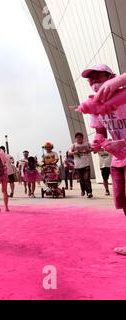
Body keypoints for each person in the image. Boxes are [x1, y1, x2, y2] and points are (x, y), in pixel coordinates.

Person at [82, 64, 126, 254]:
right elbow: (100, 131)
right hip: (118, 159)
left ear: (111, 76)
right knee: (123, 201)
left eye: (98, 76)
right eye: (90, 79)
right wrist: (97, 141)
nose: (94, 81)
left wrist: (122, 142)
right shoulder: (94, 105)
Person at [68, 132, 94, 198]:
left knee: (87, 179)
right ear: (76, 139)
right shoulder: (73, 145)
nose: (79, 139)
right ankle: (83, 190)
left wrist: (89, 150)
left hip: (86, 164)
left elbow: (93, 149)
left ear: (82, 138)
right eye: (78, 137)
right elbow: (69, 153)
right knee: (81, 180)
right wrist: (74, 152)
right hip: (78, 166)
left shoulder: (87, 143)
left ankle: (89, 192)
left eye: (80, 137)